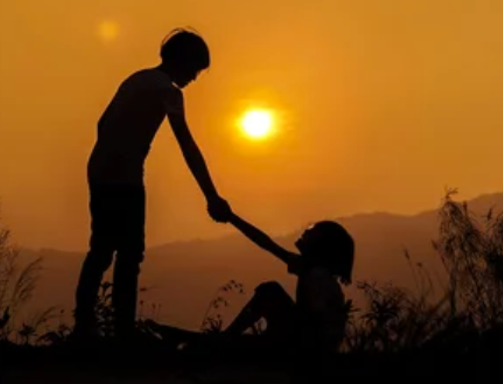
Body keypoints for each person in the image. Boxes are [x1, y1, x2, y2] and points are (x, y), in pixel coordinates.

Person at [73, 28, 232, 341]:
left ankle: (85, 325)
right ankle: (123, 332)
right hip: (125, 176)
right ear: (183, 62)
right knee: (129, 253)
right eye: (195, 69)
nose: (196, 77)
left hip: (100, 170)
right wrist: (212, 195)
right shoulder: (168, 92)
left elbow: (101, 123)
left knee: (101, 249)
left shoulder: (136, 79)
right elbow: (186, 143)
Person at [148, 213, 354, 372]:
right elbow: (266, 243)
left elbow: (315, 325)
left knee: (270, 293)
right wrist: (232, 217)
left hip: (306, 350)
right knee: (268, 295)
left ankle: (217, 341)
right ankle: (216, 341)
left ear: (320, 245)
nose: (306, 231)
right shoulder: (310, 268)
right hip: (301, 344)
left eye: (312, 230)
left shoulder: (318, 276)